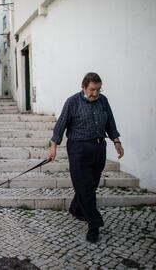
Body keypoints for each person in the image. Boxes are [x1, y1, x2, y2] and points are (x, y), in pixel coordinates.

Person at [47, 72, 124, 243]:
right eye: (91, 90)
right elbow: (60, 126)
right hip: (78, 148)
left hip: (98, 148)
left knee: (91, 184)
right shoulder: (72, 102)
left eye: (98, 89)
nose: (95, 93)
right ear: (83, 87)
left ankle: (76, 208)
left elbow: (110, 122)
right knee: (86, 186)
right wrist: (53, 147)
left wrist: (116, 141)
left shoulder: (103, 101)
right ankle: (94, 224)